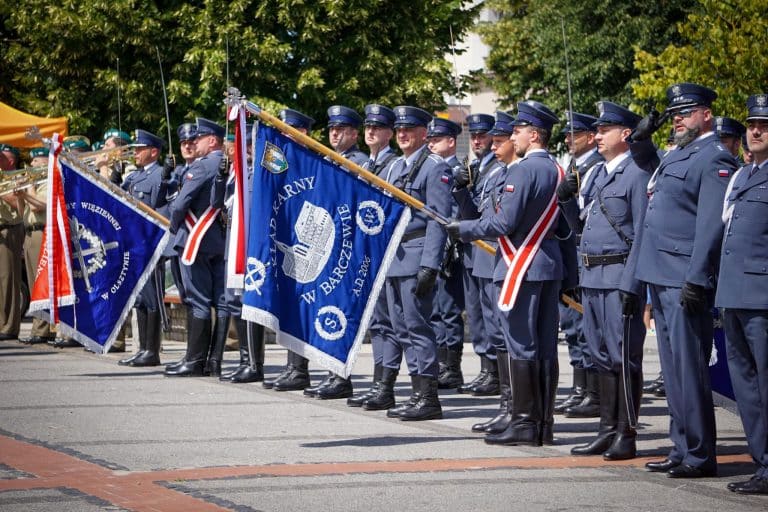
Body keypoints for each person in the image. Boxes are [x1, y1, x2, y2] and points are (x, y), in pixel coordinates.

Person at [447, 100, 573, 446]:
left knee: (521, 346)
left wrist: (464, 228)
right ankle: (543, 424)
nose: (511, 136)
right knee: (545, 347)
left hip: (521, 265)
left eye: (517, 131)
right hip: (547, 265)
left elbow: (504, 222)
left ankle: (524, 423)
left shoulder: (521, 170)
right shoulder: (557, 169)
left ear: (534, 135)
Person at [628, 82, 738, 478]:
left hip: (682, 280)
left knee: (690, 370)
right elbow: (648, 165)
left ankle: (698, 452)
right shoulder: (679, 154)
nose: (677, 118)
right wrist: (640, 139)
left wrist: (696, 278)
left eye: (686, 111)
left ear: (706, 114)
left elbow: (711, 225)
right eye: (675, 113)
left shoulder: (713, 158)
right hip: (660, 276)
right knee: (673, 371)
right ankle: (680, 446)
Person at [558, 101, 649, 460]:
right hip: (593, 276)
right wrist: (566, 202)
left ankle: (626, 433)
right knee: (599, 355)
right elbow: (583, 227)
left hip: (618, 277)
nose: (596, 135)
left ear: (625, 134)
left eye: (604, 129)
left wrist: (632, 284)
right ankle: (606, 429)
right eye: (596, 129)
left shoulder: (637, 174)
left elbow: (641, 233)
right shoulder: (597, 174)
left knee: (623, 357)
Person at [379, 105, 453, 421]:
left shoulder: (434, 167)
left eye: (409, 130)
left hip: (417, 255)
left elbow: (438, 219)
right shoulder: (396, 167)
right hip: (395, 258)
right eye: (399, 130)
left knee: (418, 327)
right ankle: (416, 393)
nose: (403, 135)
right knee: (401, 328)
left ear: (425, 134)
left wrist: (430, 264)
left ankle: (429, 398)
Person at [716, 93, 768, 495]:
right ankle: (761, 462)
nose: (754, 130)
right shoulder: (741, 175)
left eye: (764, 125)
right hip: (733, 295)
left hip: (763, 299)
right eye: (752, 124)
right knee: (746, 387)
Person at [453, 111, 517, 434]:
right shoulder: (483, 170)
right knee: (487, 327)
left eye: (491, 137)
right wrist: (461, 191)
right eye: (477, 137)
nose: (483, 142)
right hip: (481, 256)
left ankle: (515, 405)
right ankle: (506, 402)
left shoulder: (504, 172)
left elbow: (490, 220)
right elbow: (474, 212)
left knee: (504, 333)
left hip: (498, 256)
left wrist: (464, 222)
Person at [303, 105, 368, 400]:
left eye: (341, 129)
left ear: (355, 134)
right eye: (331, 129)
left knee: (343, 312)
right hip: (327, 246)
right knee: (327, 311)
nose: (334, 133)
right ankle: (332, 374)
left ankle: (341, 376)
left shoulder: (360, 163)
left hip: (348, 247)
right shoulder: (327, 160)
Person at [165, 118, 227, 377]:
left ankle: (194, 361)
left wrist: (173, 227)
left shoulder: (202, 167)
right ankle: (214, 361)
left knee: (198, 301)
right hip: (219, 243)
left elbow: (180, 205)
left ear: (211, 140)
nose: (194, 143)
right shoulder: (227, 164)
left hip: (195, 241)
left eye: (199, 138)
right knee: (221, 302)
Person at [348, 104, 400, 409]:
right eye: (368, 127)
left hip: (387, 252)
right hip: (368, 252)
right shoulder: (367, 165)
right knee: (378, 322)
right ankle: (378, 383)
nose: (370, 132)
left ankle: (386, 386)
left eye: (377, 128)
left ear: (389, 134)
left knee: (391, 323)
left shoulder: (393, 165)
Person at [263, 108, 316, 391]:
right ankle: (293, 367)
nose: (283, 135)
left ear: (302, 133)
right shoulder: (280, 163)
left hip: (306, 245)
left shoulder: (312, 161)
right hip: (285, 242)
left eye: (288, 130)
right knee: (288, 305)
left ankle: (300, 369)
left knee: (302, 305)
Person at [555, 111, 604, 419]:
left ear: (589, 136)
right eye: (567, 134)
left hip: (583, 252)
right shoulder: (573, 168)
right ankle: (579, 389)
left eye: (575, 134)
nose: (568, 139)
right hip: (568, 254)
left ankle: (593, 392)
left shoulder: (595, 167)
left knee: (587, 326)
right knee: (573, 326)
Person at [212, 124, 266, 384]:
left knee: (248, 304)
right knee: (233, 302)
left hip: (248, 247)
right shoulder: (236, 175)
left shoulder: (259, 174)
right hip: (231, 246)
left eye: (248, 145)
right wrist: (221, 179)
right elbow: (216, 205)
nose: (242, 150)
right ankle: (245, 360)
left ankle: (254, 363)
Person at [452, 113, 500, 396]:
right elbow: (468, 212)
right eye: (474, 135)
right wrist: (460, 189)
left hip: (490, 250)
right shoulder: (473, 168)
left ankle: (495, 369)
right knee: (477, 315)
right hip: (473, 251)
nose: (477, 140)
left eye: (482, 135)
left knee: (491, 314)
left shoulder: (496, 169)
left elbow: (485, 214)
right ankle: (486, 368)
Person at [117, 129, 169, 366]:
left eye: (140, 149)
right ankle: (143, 349)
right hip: (134, 244)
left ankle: (152, 351)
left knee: (151, 298)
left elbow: (161, 209)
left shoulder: (160, 175)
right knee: (139, 299)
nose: (135, 153)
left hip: (149, 244)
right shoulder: (135, 177)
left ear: (153, 151)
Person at [426, 117, 466, 390]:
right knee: (437, 310)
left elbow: (457, 211)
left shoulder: (458, 171)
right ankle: (442, 363)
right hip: (438, 249)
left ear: (451, 142)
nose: (431, 144)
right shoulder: (433, 169)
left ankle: (452, 367)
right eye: (429, 139)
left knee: (450, 310)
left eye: (436, 139)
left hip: (454, 249)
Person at [18, 147, 54, 344]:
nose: (31, 165)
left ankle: (43, 329)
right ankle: (39, 327)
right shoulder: (37, 182)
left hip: (43, 231)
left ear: (45, 161)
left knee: (42, 282)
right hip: (30, 232)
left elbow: (37, 206)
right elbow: (23, 210)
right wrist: (19, 195)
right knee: (33, 285)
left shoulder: (48, 181)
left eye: (35, 161)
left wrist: (28, 188)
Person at [0, 144, 25, 341]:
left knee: (8, 279)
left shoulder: (17, 177)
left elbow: (18, 205)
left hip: (9, 229)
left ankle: (9, 327)